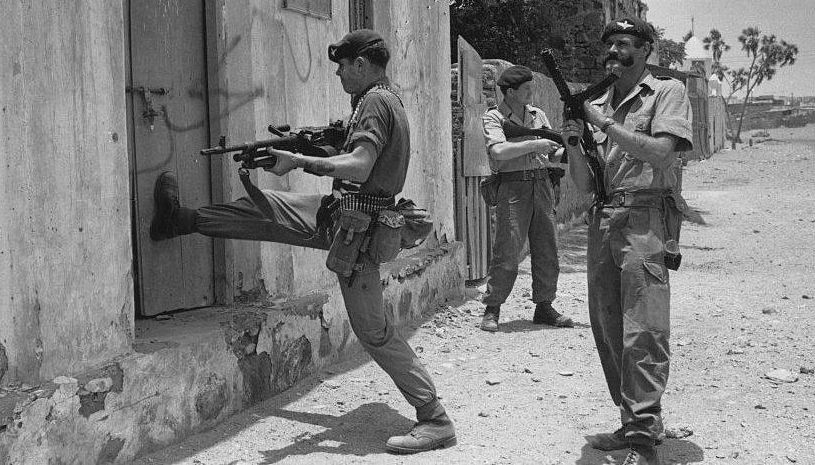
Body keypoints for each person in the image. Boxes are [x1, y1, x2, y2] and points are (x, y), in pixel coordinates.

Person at [149, 29, 456, 455]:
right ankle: (178, 220)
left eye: (342, 66)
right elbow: (359, 151)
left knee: (374, 331)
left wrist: (301, 161)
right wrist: (313, 141)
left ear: (361, 64)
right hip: (342, 214)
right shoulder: (382, 100)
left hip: (358, 233)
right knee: (263, 210)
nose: (338, 75)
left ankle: (434, 417)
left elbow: (362, 164)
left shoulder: (375, 103)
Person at [562, 16, 693, 465]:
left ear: (645, 50)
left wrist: (603, 123)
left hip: (645, 217)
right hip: (604, 218)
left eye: (624, 43)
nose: (614, 52)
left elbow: (660, 152)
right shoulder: (596, 101)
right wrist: (576, 142)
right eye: (610, 45)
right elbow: (582, 185)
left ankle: (643, 440)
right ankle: (631, 422)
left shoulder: (667, 93)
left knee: (644, 329)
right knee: (609, 327)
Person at [478, 65, 574, 332]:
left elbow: (551, 154)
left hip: (542, 184)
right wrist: (535, 144)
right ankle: (493, 307)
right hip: (513, 188)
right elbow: (498, 151)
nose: (532, 92)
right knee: (507, 250)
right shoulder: (494, 118)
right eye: (526, 89)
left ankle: (544, 306)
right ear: (510, 92)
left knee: (547, 248)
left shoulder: (538, 114)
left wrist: (567, 150)